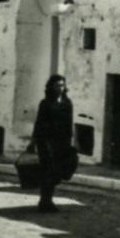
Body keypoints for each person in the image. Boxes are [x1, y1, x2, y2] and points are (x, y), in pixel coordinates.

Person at [31, 74, 74, 213]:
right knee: (47, 171)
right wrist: (34, 142)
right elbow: (38, 124)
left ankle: (47, 200)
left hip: (61, 143)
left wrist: (69, 142)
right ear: (51, 87)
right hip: (46, 142)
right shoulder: (45, 103)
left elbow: (69, 125)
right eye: (57, 85)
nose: (60, 88)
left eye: (62, 85)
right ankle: (45, 201)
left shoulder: (67, 103)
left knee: (55, 172)